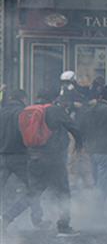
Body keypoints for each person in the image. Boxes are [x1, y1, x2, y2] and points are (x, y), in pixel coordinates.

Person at [2, 90, 81, 235]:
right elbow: (74, 127)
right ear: (53, 99)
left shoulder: (28, 111)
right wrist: (79, 145)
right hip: (53, 159)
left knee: (33, 193)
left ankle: (6, 218)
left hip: (34, 158)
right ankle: (63, 226)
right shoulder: (54, 110)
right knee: (63, 191)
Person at [0, 90, 43, 229]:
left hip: (1, 156)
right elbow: (30, 135)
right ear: (24, 99)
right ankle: (34, 219)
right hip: (19, 156)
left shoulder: (1, 112)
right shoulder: (24, 113)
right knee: (34, 188)